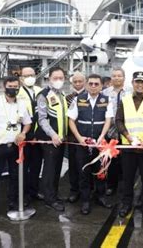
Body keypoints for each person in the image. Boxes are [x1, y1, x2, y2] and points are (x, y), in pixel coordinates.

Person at [0, 76, 31, 220]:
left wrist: (23, 133)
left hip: (15, 147)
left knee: (15, 176)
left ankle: (12, 202)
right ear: (4, 87)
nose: (13, 89)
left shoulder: (21, 104)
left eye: (16, 86)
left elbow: (27, 122)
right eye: (10, 86)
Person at [68, 74, 113, 215]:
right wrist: (79, 138)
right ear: (87, 85)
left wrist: (101, 136)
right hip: (83, 144)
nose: (93, 86)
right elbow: (71, 121)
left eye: (96, 84)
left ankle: (100, 196)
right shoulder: (78, 99)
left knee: (101, 172)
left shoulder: (107, 100)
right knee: (83, 172)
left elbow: (108, 120)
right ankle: (86, 200)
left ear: (101, 86)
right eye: (91, 84)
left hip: (100, 144)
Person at [116, 71, 143, 219]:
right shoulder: (125, 100)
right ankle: (126, 204)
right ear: (132, 83)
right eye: (137, 82)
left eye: (142, 82)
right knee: (127, 178)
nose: (140, 85)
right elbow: (119, 120)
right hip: (128, 147)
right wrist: (127, 136)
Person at [34, 67, 68, 212]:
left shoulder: (62, 94)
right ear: (49, 79)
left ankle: (54, 194)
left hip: (60, 140)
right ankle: (49, 199)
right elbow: (42, 119)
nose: (58, 80)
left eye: (61, 78)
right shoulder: (44, 95)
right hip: (49, 139)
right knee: (49, 169)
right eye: (55, 78)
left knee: (57, 169)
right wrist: (53, 135)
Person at [102, 68, 132, 195]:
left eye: (119, 76)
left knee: (126, 160)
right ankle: (111, 185)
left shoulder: (131, 92)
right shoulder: (104, 93)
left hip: (127, 131)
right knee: (111, 160)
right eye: (114, 76)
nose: (117, 78)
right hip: (111, 131)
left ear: (124, 78)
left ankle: (126, 186)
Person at [17, 67, 44, 203]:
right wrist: (29, 135)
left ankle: (34, 191)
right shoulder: (17, 93)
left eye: (32, 75)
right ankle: (24, 194)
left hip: (39, 136)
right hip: (25, 135)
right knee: (23, 167)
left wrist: (37, 135)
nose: (29, 78)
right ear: (21, 78)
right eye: (26, 75)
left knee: (36, 165)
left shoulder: (40, 91)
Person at [65, 72, 86, 203]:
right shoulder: (67, 98)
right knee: (73, 165)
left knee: (87, 165)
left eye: (80, 81)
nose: (78, 84)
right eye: (75, 82)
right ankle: (74, 190)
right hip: (72, 138)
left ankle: (88, 190)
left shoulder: (89, 96)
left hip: (86, 137)